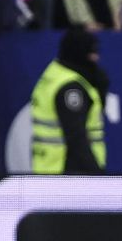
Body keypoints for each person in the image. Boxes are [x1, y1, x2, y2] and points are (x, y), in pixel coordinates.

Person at [29, 27, 108, 175]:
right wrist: (96, 175)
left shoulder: (55, 73)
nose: (96, 58)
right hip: (68, 171)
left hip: (50, 167)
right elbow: (76, 138)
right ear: (79, 52)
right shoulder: (71, 89)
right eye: (92, 52)